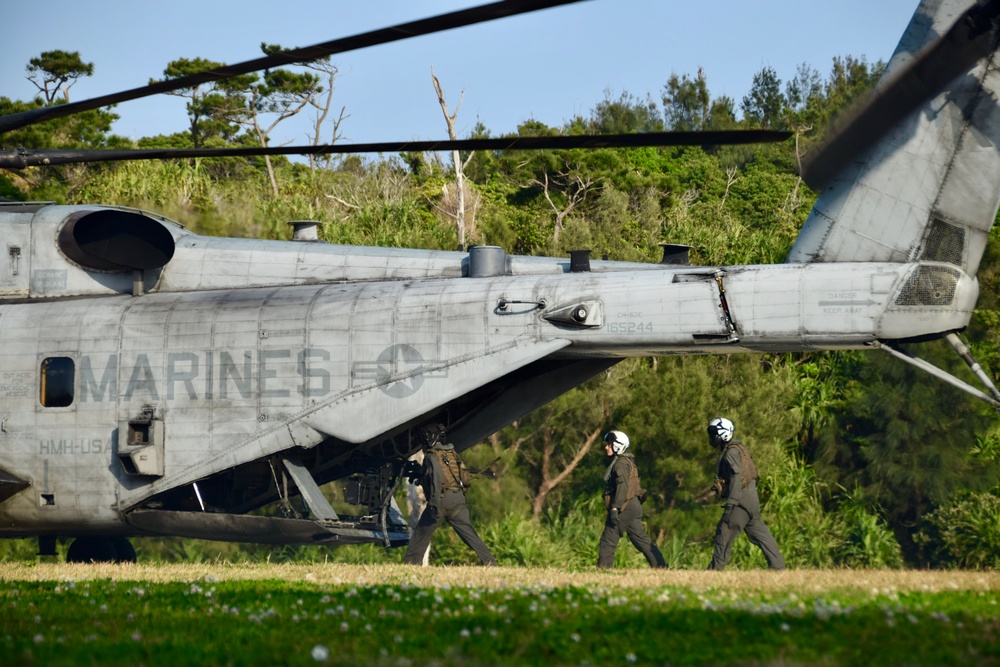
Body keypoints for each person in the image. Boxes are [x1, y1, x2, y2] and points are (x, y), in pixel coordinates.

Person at [403, 423, 497, 566]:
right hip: (458, 500)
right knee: (470, 535)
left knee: (421, 535)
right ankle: (490, 562)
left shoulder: (431, 457)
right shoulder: (450, 453)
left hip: (440, 502)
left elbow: (437, 479)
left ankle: (411, 564)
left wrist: (434, 505)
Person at [706, 417, 784, 570]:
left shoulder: (730, 453)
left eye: (713, 432)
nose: (711, 436)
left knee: (725, 531)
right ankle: (778, 566)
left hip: (740, 501)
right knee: (760, 534)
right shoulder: (740, 449)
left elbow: (736, 476)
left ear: (723, 434)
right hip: (752, 499)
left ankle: (714, 570)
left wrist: (731, 503)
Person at [597, 430, 666, 569]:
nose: (606, 447)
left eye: (609, 444)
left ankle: (603, 570)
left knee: (608, 539)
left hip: (625, 506)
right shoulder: (628, 461)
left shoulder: (620, 464)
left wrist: (615, 508)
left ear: (617, 445)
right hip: (633, 505)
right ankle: (661, 566)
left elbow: (622, 486)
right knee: (640, 539)